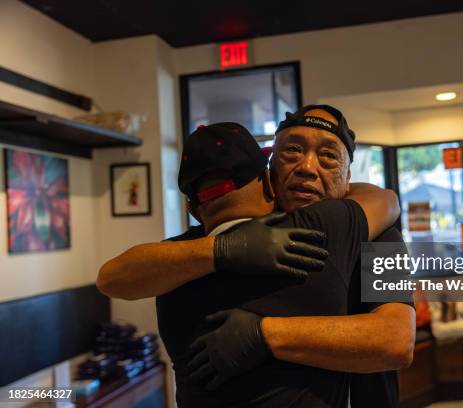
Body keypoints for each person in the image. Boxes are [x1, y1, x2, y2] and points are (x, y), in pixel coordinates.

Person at [97, 107, 415, 406]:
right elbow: (115, 276)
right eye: (292, 150)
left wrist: (265, 334)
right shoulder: (211, 236)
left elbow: (396, 341)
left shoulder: (383, 239)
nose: (307, 167)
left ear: (347, 180)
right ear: (268, 169)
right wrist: (224, 249)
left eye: (328, 156)